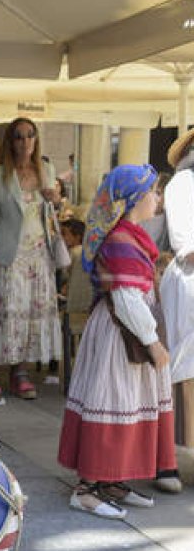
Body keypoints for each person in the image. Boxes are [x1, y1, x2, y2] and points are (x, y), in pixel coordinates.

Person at [58, 164, 174, 518]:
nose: (157, 197)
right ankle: (87, 489)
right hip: (119, 334)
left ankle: (111, 480)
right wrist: (153, 342)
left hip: (126, 332)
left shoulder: (130, 234)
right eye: (153, 191)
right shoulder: (120, 240)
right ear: (134, 198)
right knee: (112, 399)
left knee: (128, 403)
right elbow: (126, 298)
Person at [0, 117, 63, 402]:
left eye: (30, 135)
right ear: (11, 141)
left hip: (41, 254)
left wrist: (56, 200)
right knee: (7, 311)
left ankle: (20, 374)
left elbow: (52, 213)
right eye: (19, 136)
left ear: (36, 139)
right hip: (10, 254)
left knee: (31, 314)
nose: (25, 141)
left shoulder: (47, 170)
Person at [162, 128, 194, 492]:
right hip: (189, 285)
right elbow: (186, 245)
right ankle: (164, 461)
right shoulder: (183, 183)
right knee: (180, 374)